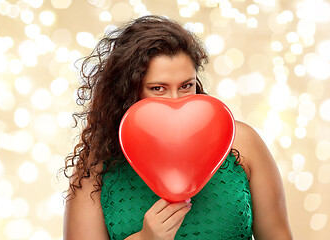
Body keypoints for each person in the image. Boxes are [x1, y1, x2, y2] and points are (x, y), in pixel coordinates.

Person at [63, 15, 292, 240]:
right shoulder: (95, 167)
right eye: (158, 88)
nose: (175, 100)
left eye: (186, 85)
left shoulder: (242, 143)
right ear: (127, 91)